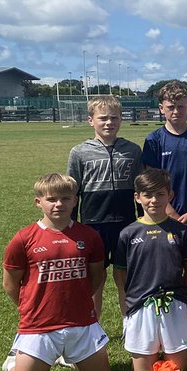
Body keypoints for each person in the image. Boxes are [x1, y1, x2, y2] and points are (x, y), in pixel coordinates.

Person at [2, 173, 110, 371]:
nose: (59, 204)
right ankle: (15, 360)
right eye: (51, 199)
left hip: (81, 322)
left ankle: (71, 358)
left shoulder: (89, 235)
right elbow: (10, 283)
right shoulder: (24, 238)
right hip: (39, 325)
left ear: (75, 200)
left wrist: (78, 300)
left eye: (65, 198)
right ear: (38, 202)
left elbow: (97, 276)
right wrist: (29, 307)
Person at [142, 80, 187, 327]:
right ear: (161, 108)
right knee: (168, 264)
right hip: (164, 216)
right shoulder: (154, 140)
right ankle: (173, 314)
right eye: (171, 106)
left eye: (181, 106)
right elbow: (151, 181)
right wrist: (171, 212)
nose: (176, 111)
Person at [113, 168, 187, 371]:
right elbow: (120, 273)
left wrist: (181, 293)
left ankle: (169, 350)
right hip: (140, 303)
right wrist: (125, 300)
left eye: (160, 194)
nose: (154, 200)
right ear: (137, 197)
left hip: (173, 302)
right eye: (148, 195)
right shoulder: (128, 233)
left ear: (170, 196)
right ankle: (153, 350)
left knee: (179, 366)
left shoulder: (180, 231)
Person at [67, 94, 143, 316]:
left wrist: (143, 221)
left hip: (126, 224)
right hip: (93, 224)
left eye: (114, 118)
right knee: (94, 279)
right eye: (103, 118)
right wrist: (71, 225)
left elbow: (140, 190)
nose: (109, 122)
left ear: (121, 120)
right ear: (91, 120)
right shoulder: (79, 152)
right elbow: (72, 191)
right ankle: (92, 328)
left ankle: (132, 327)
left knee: (126, 278)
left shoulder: (133, 150)